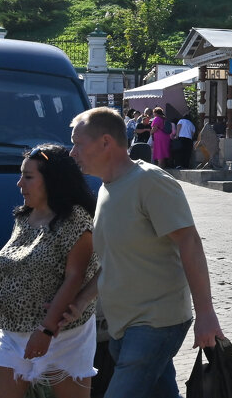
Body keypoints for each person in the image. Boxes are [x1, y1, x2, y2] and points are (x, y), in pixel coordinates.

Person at [66, 107, 223, 398]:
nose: (72, 152)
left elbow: (190, 243)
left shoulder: (150, 181)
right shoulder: (106, 189)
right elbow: (115, 258)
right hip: (123, 327)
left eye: (78, 143)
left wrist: (206, 313)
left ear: (105, 143)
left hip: (155, 323)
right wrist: (82, 300)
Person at [0, 144, 99, 397]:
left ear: (52, 180)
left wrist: (46, 330)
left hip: (63, 335)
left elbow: (75, 277)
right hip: (12, 333)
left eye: (28, 177)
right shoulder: (23, 218)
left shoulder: (76, 218)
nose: (19, 184)